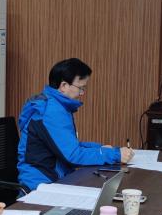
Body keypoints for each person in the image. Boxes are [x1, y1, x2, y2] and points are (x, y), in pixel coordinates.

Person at [17, 58, 134, 191]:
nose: (82, 93)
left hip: (55, 178)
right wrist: (114, 154)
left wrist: (101, 148)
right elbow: (73, 155)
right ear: (64, 86)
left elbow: (69, 145)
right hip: (41, 186)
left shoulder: (55, 105)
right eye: (81, 88)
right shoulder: (51, 111)